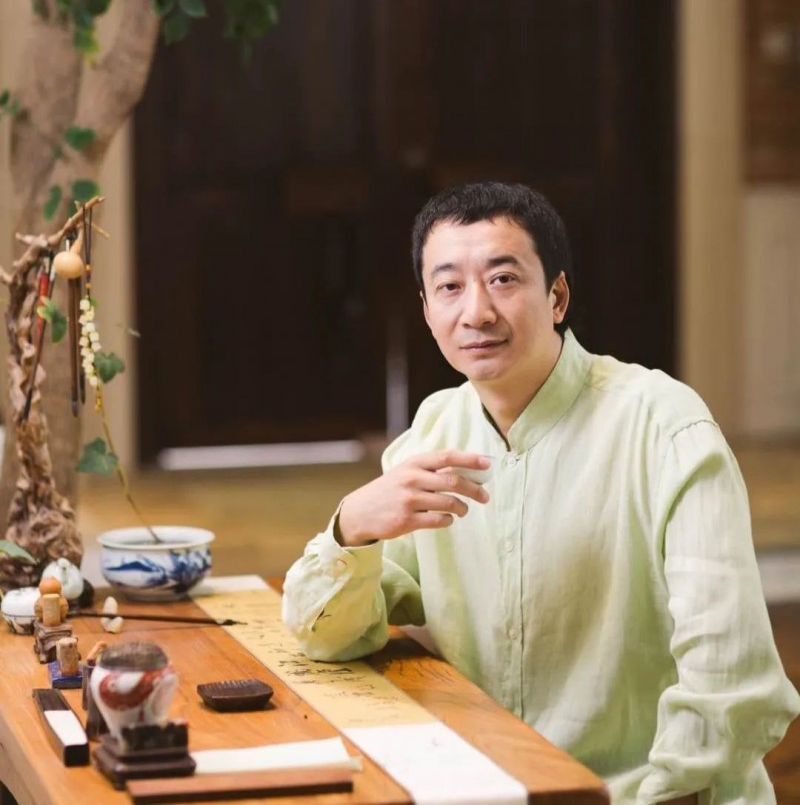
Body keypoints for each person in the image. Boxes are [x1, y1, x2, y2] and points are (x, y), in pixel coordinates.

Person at [282, 181, 800, 805]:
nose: (476, 312)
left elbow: (730, 679)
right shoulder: (434, 431)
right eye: (449, 287)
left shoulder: (664, 426)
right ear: (426, 309)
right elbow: (326, 636)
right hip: (485, 787)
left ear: (557, 297)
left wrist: (665, 792)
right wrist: (352, 527)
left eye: (503, 279)